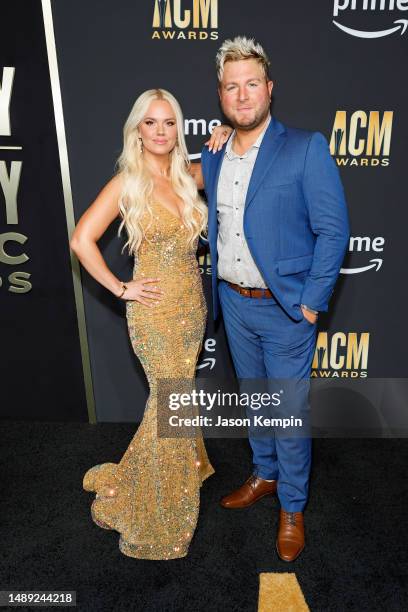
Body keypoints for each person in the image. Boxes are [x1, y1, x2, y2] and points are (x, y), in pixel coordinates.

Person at [196, 37, 350, 562]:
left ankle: (292, 506)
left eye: (252, 84)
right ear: (220, 95)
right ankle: (262, 476)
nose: (242, 96)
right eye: (232, 86)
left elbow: (333, 231)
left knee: (286, 413)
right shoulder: (213, 154)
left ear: (270, 89)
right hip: (233, 304)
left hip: (286, 309)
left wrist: (310, 303)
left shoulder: (305, 147)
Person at [70, 88, 230, 560]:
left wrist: (224, 135)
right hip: (154, 311)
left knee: (173, 404)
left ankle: (156, 479)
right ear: (137, 130)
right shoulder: (127, 181)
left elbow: (233, 162)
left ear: (178, 128)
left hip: (191, 307)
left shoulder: (189, 175)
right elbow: (81, 239)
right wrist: (121, 289)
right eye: (151, 123)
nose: (161, 131)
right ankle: (162, 513)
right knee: (173, 404)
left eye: (169, 122)